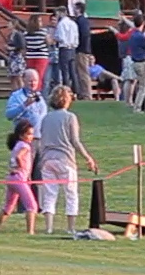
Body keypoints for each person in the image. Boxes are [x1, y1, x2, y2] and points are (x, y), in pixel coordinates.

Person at [35, 85, 98, 235]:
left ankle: (49, 228)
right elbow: (75, 141)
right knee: (71, 194)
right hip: (65, 159)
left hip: (47, 160)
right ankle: (70, 228)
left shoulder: (46, 118)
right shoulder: (70, 117)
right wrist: (88, 158)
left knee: (50, 194)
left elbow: (41, 141)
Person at [0, 119, 40, 235]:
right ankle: (30, 232)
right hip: (19, 179)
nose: (31, 137)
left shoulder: (17, 145)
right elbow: (19, 157)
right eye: (29, 134)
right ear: (21, 135)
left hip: (12, 178)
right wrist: (21, 166)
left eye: (32, 134)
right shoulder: (26, 146)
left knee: (8, 206)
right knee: (32, 205)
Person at [122, 19, 145, 112]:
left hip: (135, 62)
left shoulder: (132, 35)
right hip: (141, 62)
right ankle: (137, 107)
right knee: (143, 86)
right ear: (143, 24)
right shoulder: (140, 36)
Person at [53, 6, 83, 93]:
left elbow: (61, 37)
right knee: (73, 71)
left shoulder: (61, 24)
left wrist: (55, 38)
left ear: (61, 13)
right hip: (72, 49)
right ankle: (76, 91)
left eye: (57, 13)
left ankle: (66, 91)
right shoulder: (73, 23)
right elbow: (76, 37)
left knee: (65, 71)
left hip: (64, 48)